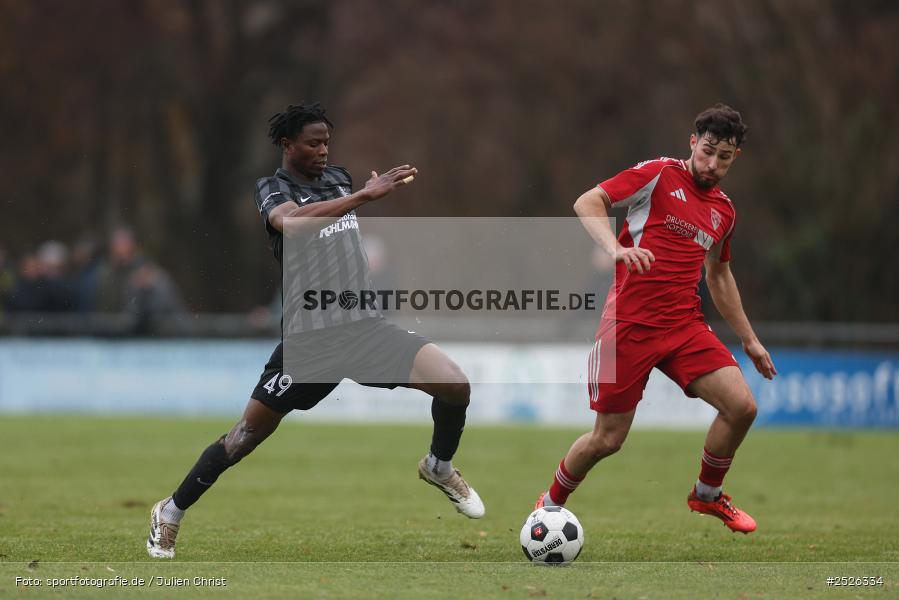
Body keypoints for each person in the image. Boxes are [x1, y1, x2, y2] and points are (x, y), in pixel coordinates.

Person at [147, 102, 484, 559]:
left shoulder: (338, 179)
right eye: (313, 143)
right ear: (288, 146)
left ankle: (438, 467)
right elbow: (292, 224)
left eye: (327, 141)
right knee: (244, 436)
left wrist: (356, 194)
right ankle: (170, 511)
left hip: (364, 329)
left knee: (455, 384)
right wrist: (364, 196)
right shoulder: (273, 188)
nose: (324, 150)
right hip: (311, 342)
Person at [534, 104, 777, 534]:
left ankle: (706, 495)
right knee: (607, 440)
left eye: (723, 157)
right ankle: (550, 504)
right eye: (707, 151)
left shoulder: (724, 211)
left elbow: (718, 276)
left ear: (735, 157)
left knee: (742, 407)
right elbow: (587, 202)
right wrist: (616, 249)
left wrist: (750, 339)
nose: (712, 163)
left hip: (683, 326)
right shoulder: (659, 174)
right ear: (692, 143)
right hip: (628, 325)